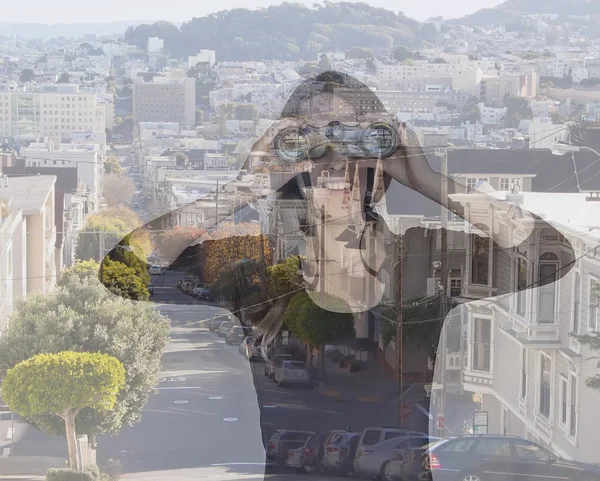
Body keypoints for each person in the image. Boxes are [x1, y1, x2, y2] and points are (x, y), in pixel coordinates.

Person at [104, 70, 579, 467]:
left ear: (382, 162)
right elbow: (124, 269)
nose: (334, 158)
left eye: (356, 138)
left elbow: (550, 255)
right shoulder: (256, 268)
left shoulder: (427, 256)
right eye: (307, 140)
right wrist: (244, 187)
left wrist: (430, 180)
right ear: (293, 164)